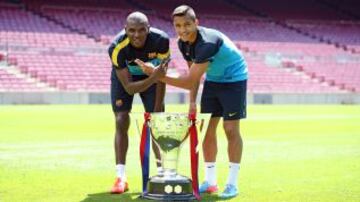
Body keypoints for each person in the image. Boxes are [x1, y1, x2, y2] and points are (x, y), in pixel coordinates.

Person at [135, 5, 248, 199]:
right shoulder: (182, 43)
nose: (183, 30)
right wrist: (192, 102)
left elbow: (189, 81)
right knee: (207, 130)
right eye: (178, 25)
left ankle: (232, 183)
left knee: (230, 129)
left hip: (234, 80)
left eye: (187, 24)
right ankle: (211, 182)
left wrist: (156, 76)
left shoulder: (208, 43)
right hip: (213, 81)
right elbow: (191, 73)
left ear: (197, 23)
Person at [107, 11, 170, 194]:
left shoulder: (161, 41)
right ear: (125, 30)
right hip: (127, 79)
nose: (136, 35)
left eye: (141, 30)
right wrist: (154, 76)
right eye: (132, 30)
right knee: (121, 120)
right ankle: (120, 177)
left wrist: (156, 110)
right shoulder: (116, 47)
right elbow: (129, 87)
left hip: (154, 78)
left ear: (148, 29)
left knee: (156, 123)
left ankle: (161, 174)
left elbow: (162, 77)